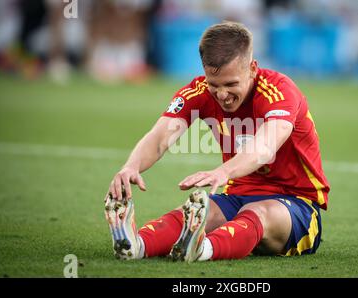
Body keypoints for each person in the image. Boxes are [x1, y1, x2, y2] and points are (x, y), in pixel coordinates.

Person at [104, 22, 330, 262]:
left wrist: (224, 171)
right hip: (237, 196)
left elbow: (265, 146)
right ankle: (136, 245)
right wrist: (131, 167)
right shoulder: (197, 91)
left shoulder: (279, 91)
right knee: (197, 214)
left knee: (256, 212)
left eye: (231, 84)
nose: (222, 94)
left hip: (296, 203)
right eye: (214, 85)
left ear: (252, 68)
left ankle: (203, 249)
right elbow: (159, 138)